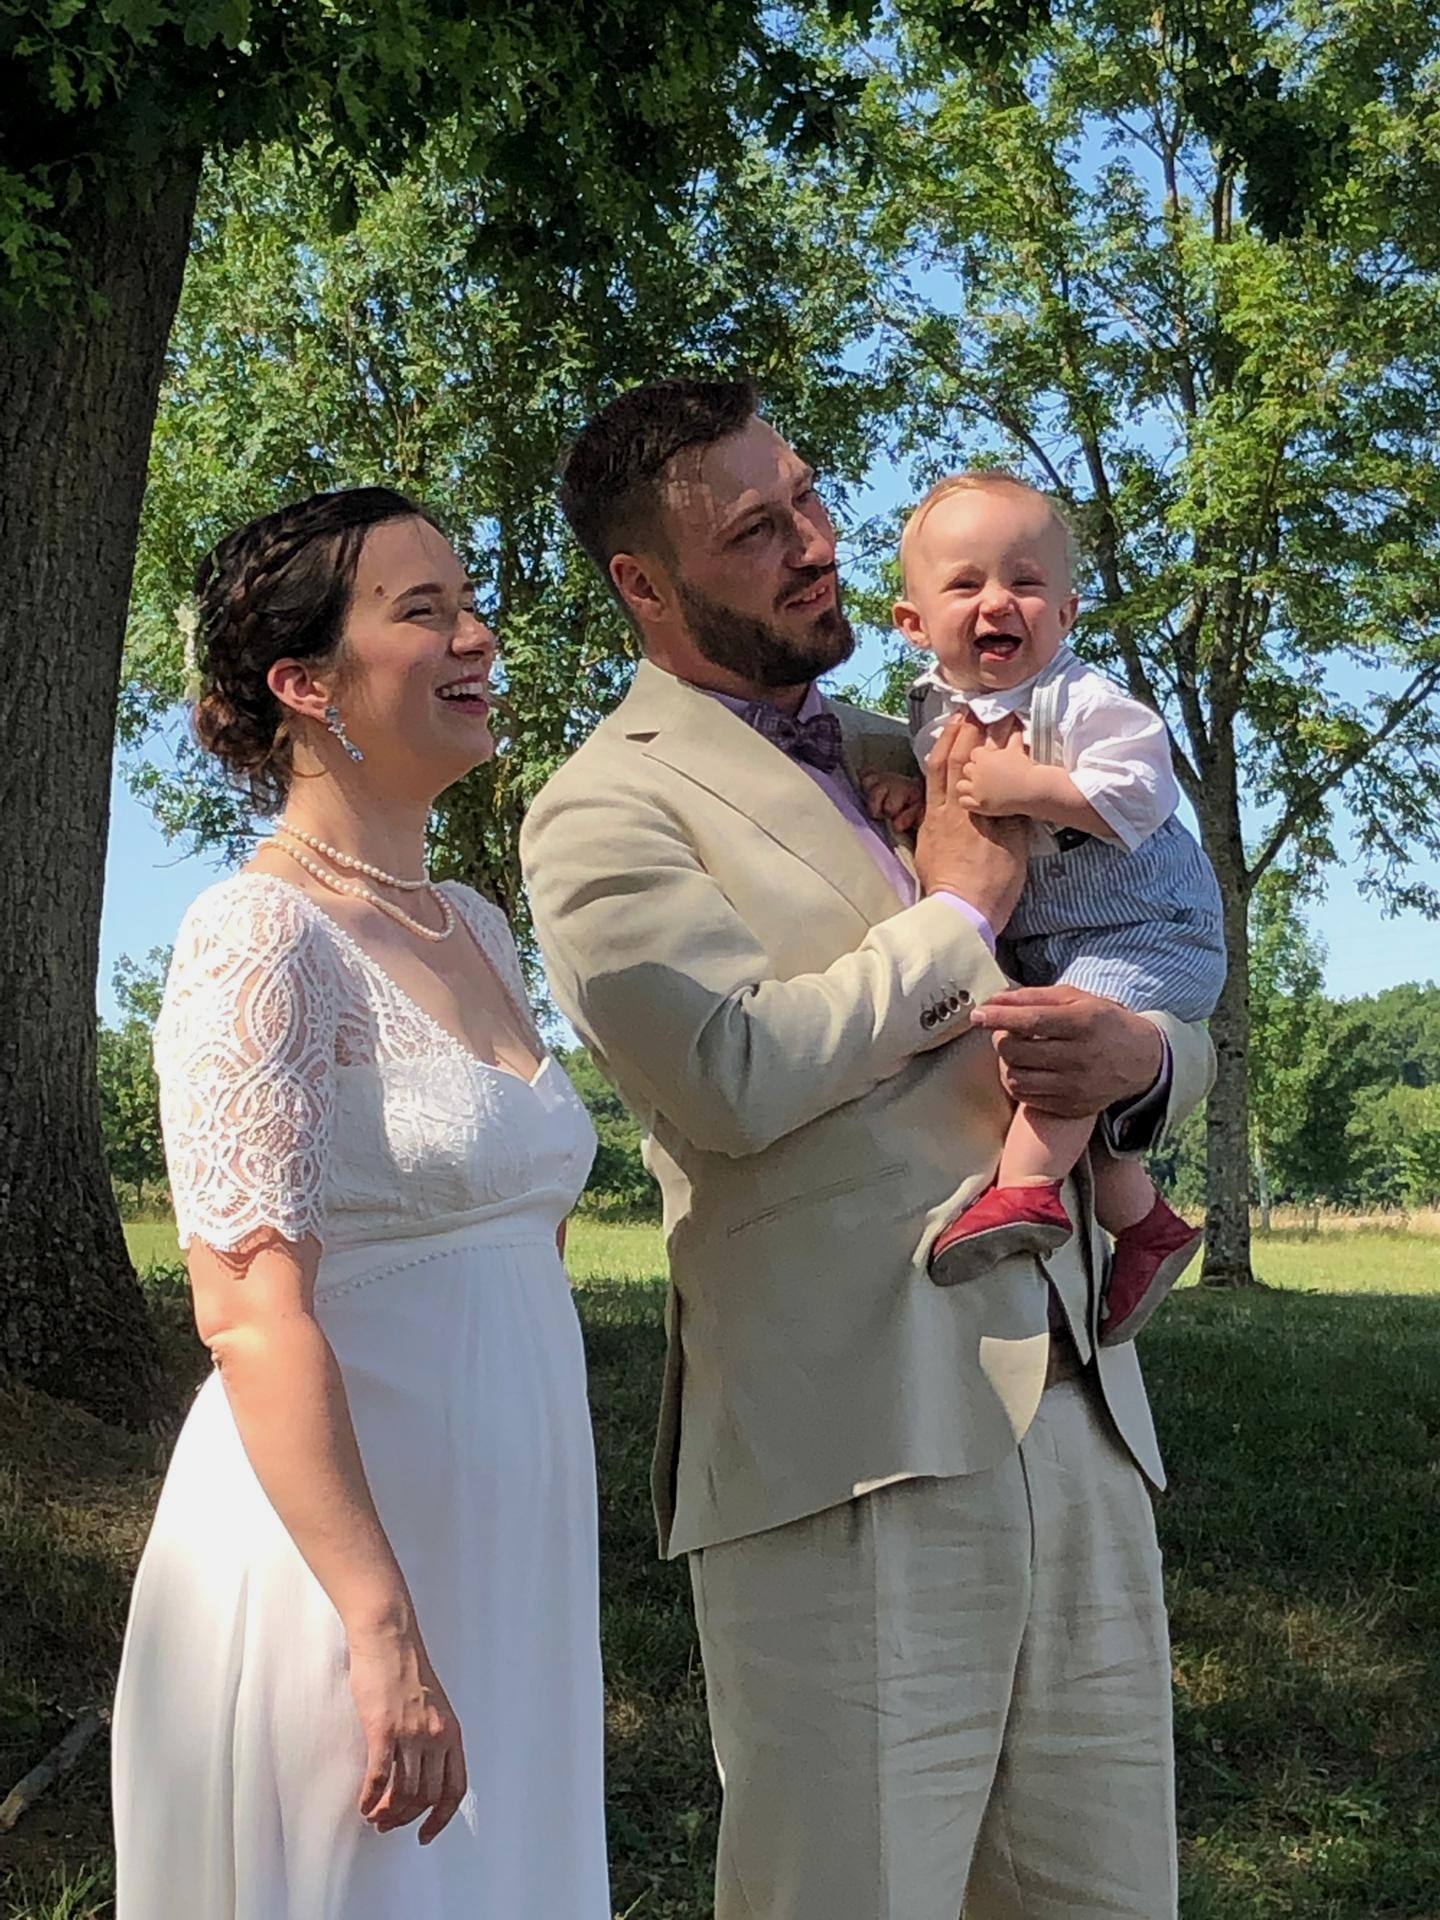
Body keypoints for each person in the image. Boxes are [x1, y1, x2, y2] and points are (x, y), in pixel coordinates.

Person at [521, 376, 1215, 1920]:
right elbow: (730, 1074)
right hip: (846, 1452)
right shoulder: (602, 808)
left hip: (1086, 1423)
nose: (814, 543)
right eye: (754, 528)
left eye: (810, 497)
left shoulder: (955, 733)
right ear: (644, 582)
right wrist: (959, 909)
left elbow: (1149, 941)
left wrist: (1151, 1064)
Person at [111, 489, 609, 1918]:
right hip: (340, 1578)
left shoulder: (477, 928)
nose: (477, 634)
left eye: (470, 601)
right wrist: (379, 1627)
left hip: (510, 1557)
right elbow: (246, 1313)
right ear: (306, 683)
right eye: (423, 610)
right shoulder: (256, 936)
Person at [861, 470, 1224, 1339]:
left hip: (1146, 926)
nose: (998, 602)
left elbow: (1143, 791)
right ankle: (1148, 1228)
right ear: (913, 623)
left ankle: (1023, 1193)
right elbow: (959, 796)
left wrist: (1031, 787)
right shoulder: (933, 710)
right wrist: (918, 796)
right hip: (1058, 936)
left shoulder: (1083, 701)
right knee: (1074, 1083)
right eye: (965, 584)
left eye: (1025, 583)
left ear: (1065, 614)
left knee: (1059, 1048)